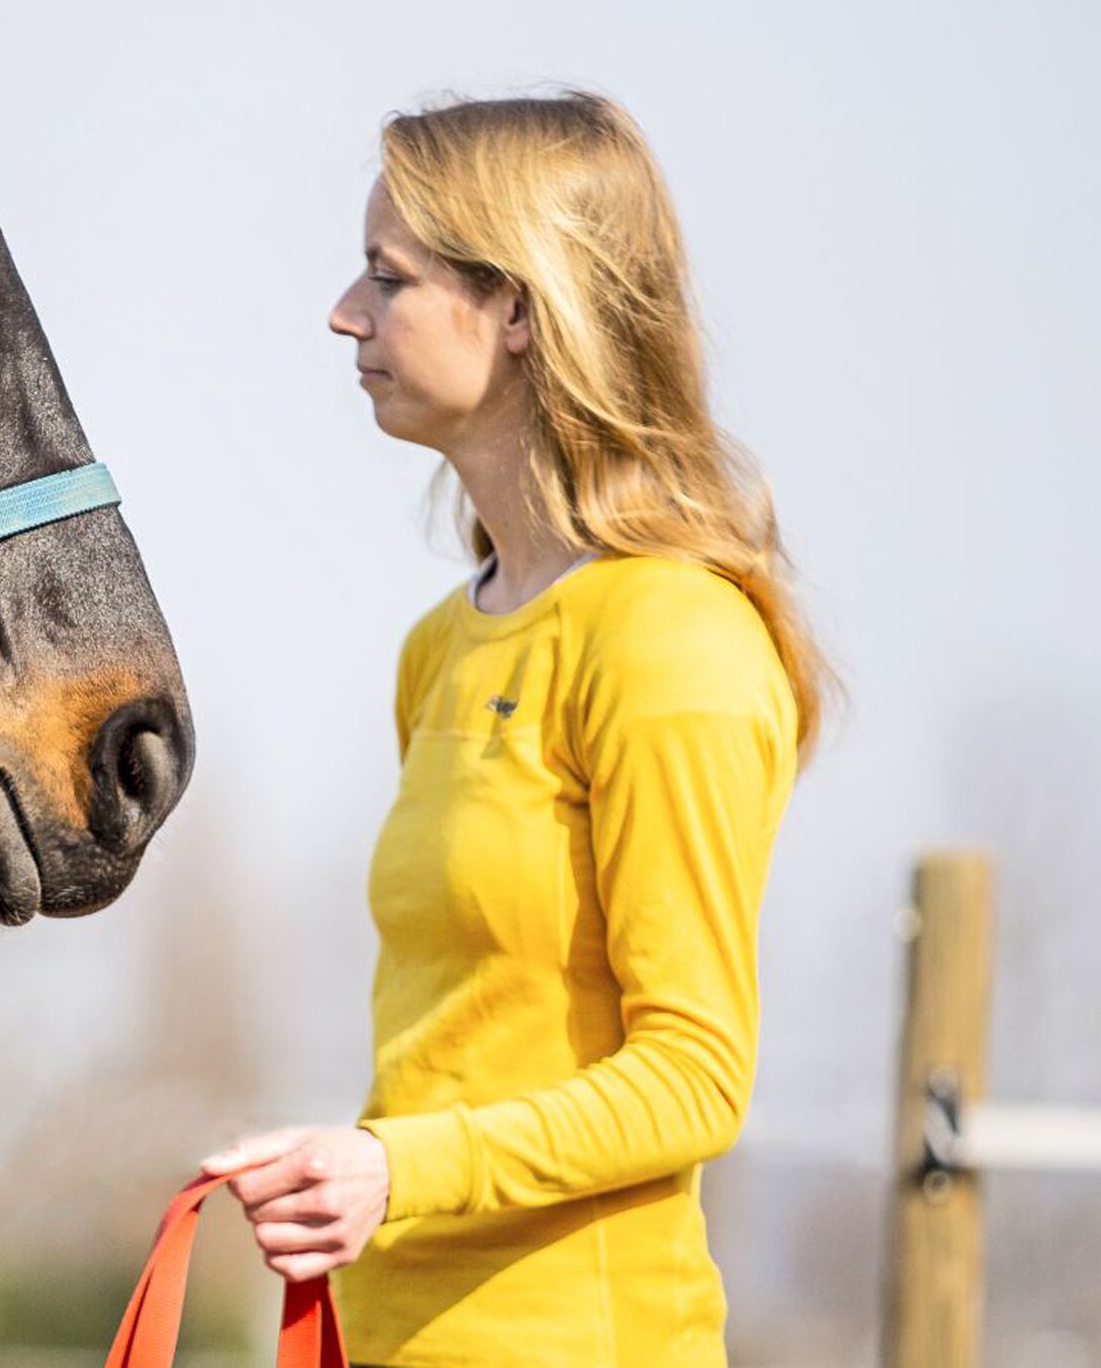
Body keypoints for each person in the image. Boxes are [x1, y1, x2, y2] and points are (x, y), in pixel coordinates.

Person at [198, 93, 836, 1367]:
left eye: (389, 278)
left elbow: (696, 1076)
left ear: (525, 310)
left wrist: (394, 1164)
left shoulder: (670, 640)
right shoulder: (440, 645)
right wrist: (373, 1176)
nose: (344, 313)